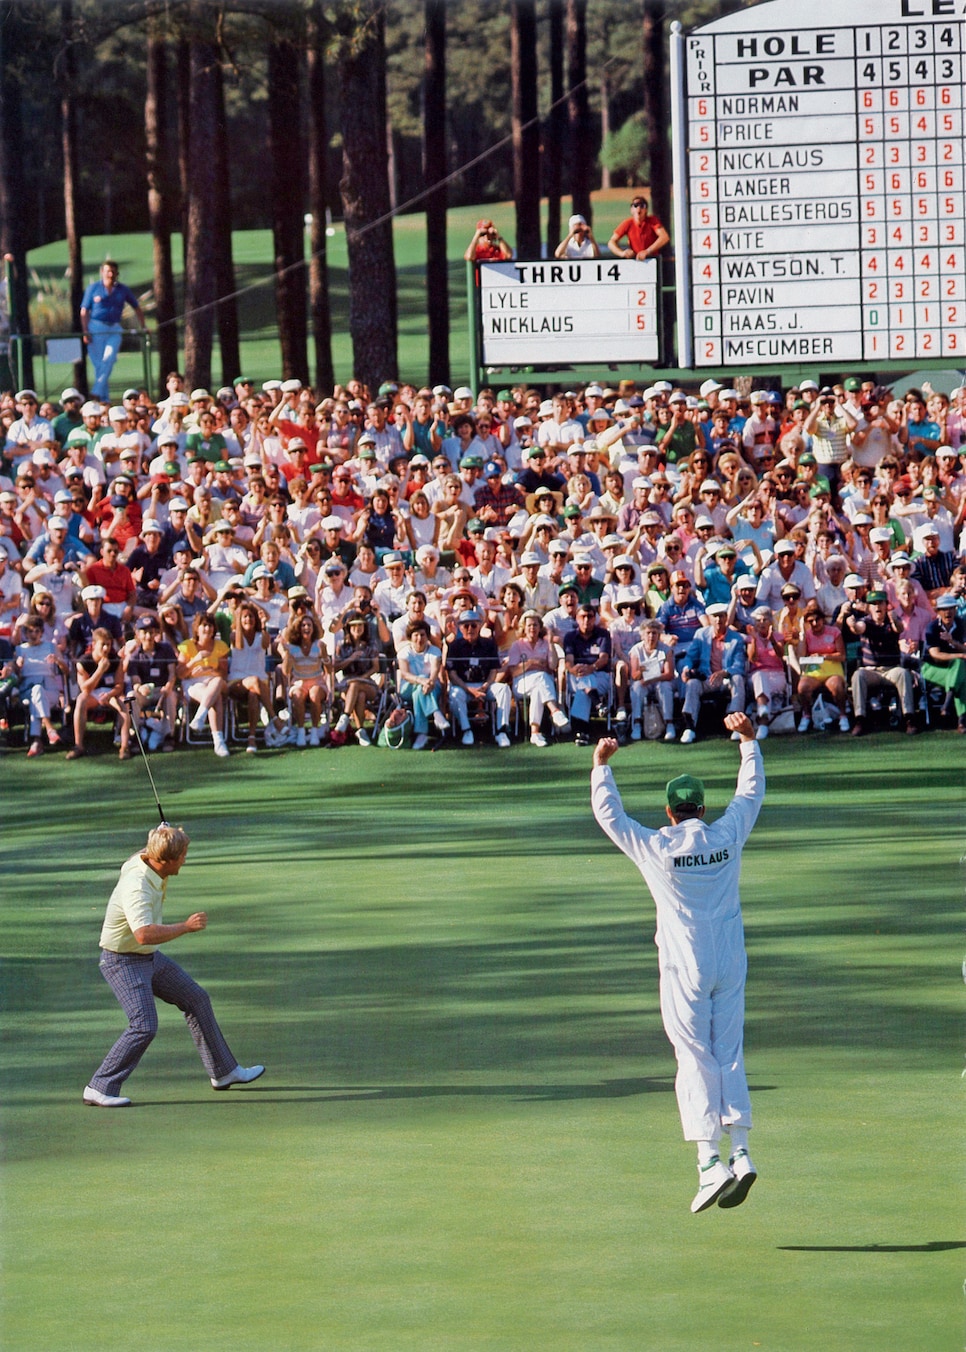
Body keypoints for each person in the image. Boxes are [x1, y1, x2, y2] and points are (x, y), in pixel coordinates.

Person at [591, 712, 764, 1213]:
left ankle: (710, 1162)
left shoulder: (656, 846)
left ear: (670, 812)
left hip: (685, 965)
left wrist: (601, 765)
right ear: (701, 810)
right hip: (730, 959)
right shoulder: (726, 834)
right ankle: (743, 1151)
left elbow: (610, 816)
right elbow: (749, 795)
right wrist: (747, 742)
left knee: (693, 1055)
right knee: (728, 1050)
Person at [83, 823, 264, 1107]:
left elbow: (148, 848)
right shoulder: (137, 886)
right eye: (182, 856)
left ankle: (224, 1072)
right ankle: (99, 1086)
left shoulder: (149, 859)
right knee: (144, 1025)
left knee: (196, 998)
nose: (185, 860)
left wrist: (165, 834)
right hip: (122, 961)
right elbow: (143, 934)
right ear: (166, 860)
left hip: (148, 958)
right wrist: (185, 927)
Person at [80, 260, 147, 402]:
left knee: (109, 359)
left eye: (113, 272)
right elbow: (84, 310)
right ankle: (104, 400)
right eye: (107, 271)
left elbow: (137, 307)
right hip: (96, 327)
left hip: (114, 327)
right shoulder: (93, 288)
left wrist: (143, 326)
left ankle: (96, 392)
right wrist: (86, 330)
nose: (110, 274)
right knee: (99, 364)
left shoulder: (122, 290)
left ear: (117, 274)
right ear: (102, 272)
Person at [607, 192, 670, 261]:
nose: (639, 209)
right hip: (635, 260)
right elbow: (611, 242)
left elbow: (664, 237)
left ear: (646, 210)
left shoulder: (652, 221)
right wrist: (622, 253)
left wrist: (647, 251)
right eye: (635, 205)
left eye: (642, 206)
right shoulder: (628, 223)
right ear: (631, 210)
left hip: (651, 260)